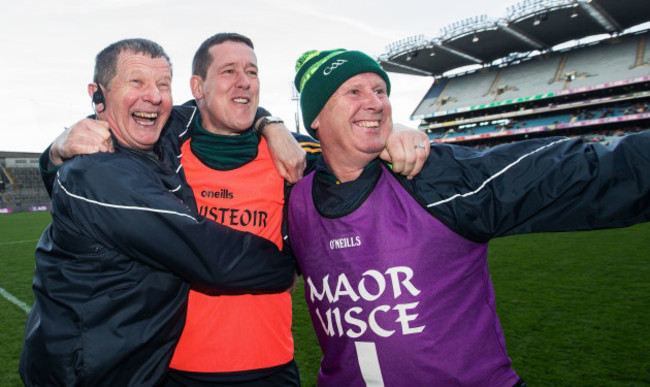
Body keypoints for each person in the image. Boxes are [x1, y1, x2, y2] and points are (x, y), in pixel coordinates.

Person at [40, 36, 430, 386]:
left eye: (252, 72)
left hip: (270, 366)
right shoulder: (164, 151)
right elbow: (197, 249)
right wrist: (57, 150)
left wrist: (391, 133)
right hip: (168, 370)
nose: (243, 81)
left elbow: (349, 153)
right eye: (228, 71)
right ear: (198, 88)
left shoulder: (289, 155)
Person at [287, 48, 650, 386]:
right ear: (316, 116)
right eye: (354, 92)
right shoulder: (293, 199)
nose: (377, 103)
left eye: (381, 90)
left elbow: (579, 172)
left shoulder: (434, 177)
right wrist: (267, 124)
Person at [19, 38, 298, 387]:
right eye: (135, 82)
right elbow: (209, 255)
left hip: (143, 368)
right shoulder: (96, 172)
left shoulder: (159, 137)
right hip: (86, 373)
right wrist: (290, 266)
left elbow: (223, 104)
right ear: (98, 94)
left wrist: (271, 124)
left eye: (163, 84)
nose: (153, 96)